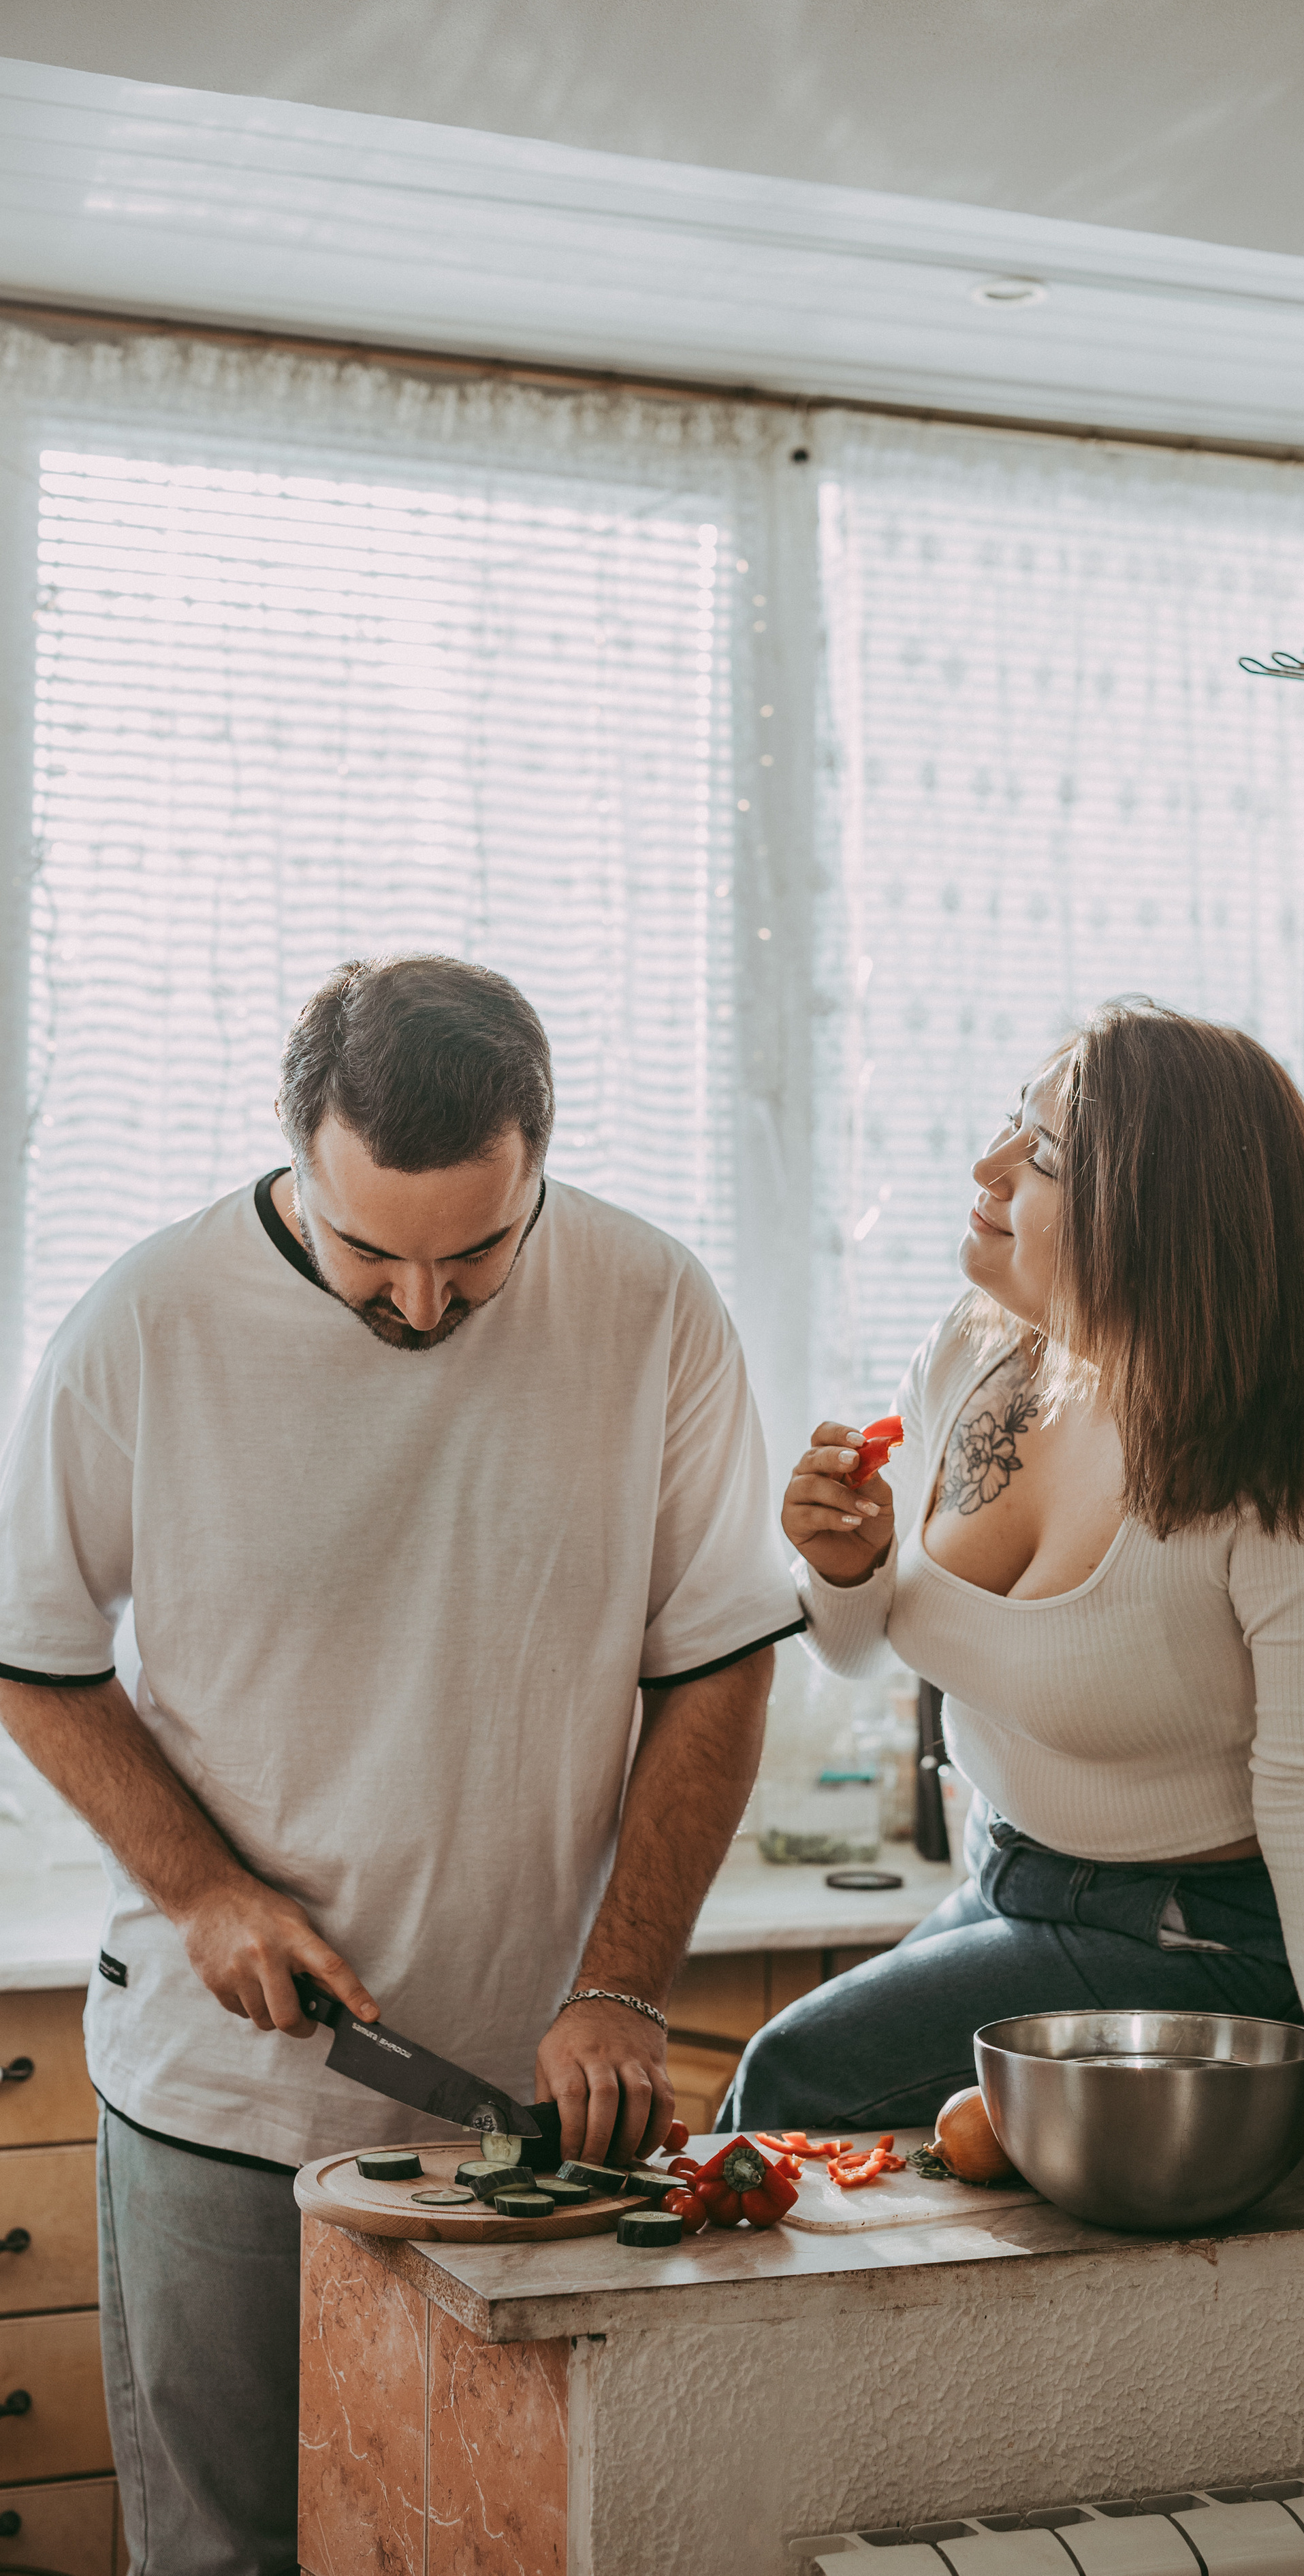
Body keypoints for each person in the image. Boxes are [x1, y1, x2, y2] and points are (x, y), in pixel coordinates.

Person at [0, 955, 800, 2576]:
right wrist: (207, 1895)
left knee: (498, 2548)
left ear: (539, 1161)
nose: (421, 1306)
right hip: (223, 2100)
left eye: (477, 1254)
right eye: (370, 1248)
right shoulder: (147, 1323)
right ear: (299, 1157)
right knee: (228, 2557)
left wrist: (626, 1985)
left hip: (531, 2111)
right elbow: (34, 1657)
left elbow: (714, 1664)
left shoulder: (652, 1304)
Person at [732, 998, 1304, 2298]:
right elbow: (867, 1654)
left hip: (1241, 1931)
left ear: (1153, 1215)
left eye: (1038, 1157)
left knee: (795, 2081)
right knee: (888, 2135)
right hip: (1028, 1882)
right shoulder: (981, 1348)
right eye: (1010, 1125)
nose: (987, 1168)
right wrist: (847, 1568)